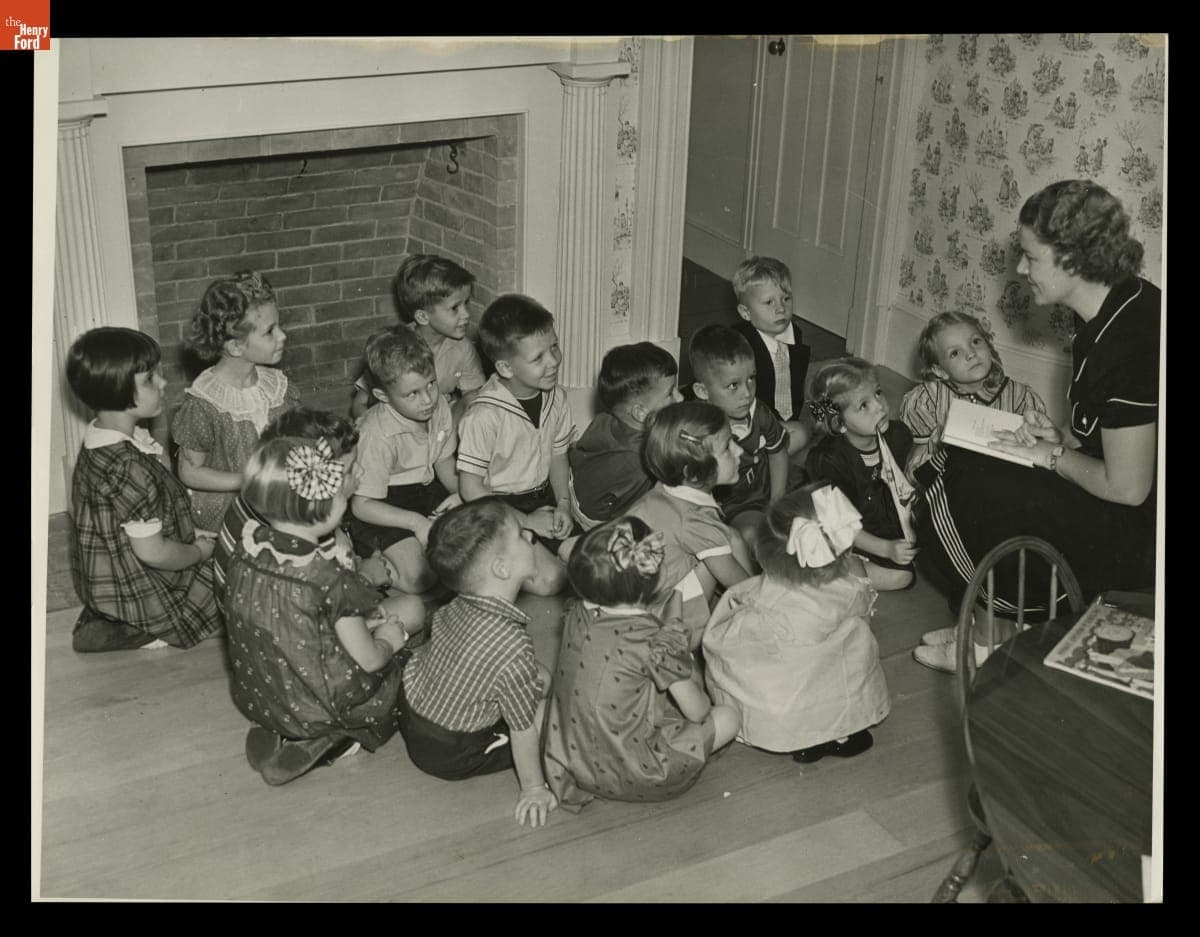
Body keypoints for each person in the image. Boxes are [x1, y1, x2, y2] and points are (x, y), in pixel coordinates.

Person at [914, 180, 1160, 672]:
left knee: (964, 480)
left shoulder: (1130, 343)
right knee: (970, 453)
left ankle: (989, 638)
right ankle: (995, 623)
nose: (1021, 269)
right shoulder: (1115, 307)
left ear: (1072, 258)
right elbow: (1110, 435)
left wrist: (1050, 457)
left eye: (1030, 256)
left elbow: (1129, 488)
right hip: (1131, 512)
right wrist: (1062, 439)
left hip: (1142, 542)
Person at [223, 437, 426, 785]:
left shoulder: (247, 546)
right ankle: (336, 739)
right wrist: (389, 641)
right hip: (324, 700)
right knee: (410, 665)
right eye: (342, 496)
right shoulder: (328, 579)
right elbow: (370, 660)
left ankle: (278, 725)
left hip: (262, 691)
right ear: (323, 509)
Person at [542, 518, 740, 810]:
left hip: (577, 765)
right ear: (655, 574)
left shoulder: (575, 615)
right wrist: (682, 656)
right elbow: (697, 712)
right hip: (643, 773)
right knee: (728, 716)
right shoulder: (655, 643)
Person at [397, 499, 557, 828]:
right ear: (502, 568)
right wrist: (534, 788)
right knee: (552, 715)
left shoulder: (455, 604)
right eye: (522, 536)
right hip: (449, 751)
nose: (530, 535)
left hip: (410, 710)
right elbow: (522, 727)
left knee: (536, 678)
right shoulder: (509, 647)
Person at [703, 483, 890, 762]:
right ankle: (843, 733)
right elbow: (863, 606)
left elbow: (748, 634)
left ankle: (803, 740)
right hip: (836, 681)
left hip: (788, 696)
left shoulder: (771, 593)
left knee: (766, 668)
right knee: (853, 647)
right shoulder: (852, 583)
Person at [65, 327, 222, 652]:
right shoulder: (127, 466)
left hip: (117, 572)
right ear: (117, 391)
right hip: (146, 581)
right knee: (238, 589)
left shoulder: (101, 440)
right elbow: (153, 553)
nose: (163, 383)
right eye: (151, 379)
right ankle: (141, 626)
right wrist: (197, 553)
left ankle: (116, 617)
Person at [211, 407, 394, 606]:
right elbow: (336, 608)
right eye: (349, 470)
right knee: (411, 608)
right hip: (300, 624)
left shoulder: (262, 499)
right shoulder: (319, 542)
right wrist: (367, 577)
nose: (361, 471)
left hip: (255, 610)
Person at [455, 294, 574, 594]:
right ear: (506, 368)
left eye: (554, 347)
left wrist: (564, 504)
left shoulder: (555, 396)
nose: (553, 362)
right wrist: (527, 521)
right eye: (538, 358)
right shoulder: (484, 415)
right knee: (551, 581)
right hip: (497, 505)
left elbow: (559, 456)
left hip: (543, 497)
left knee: (587, 557)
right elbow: (471, 489)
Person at [172, 271, 298, 532]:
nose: (282, 336)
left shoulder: (276, 387)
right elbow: (190, 472)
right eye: (270, 331)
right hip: (232, 510)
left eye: (279, 326)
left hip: (276, 498)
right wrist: (246, 480)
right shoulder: (205, 403)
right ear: (236, 347)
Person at [627, 400, 754, 646]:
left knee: (725, 539)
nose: (739, 451)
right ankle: (692, 640)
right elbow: (736, 584)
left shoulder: (662, 489)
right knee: (720, 559)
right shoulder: (695, 519)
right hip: (654, 629)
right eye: (728, 447)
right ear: (693, 474)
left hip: (629, 608)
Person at [346, 328, 460, 595]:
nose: (428, 399)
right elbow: (362, 505)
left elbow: (443, 459)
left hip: (426, 487)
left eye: (431, 383)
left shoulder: (439, 405)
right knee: (420, 577)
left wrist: (460, 493)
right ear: (383, 396)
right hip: (382, 503)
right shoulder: (375, 435)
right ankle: (363, 563)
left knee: (465, 549)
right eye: (412, 394)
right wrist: (417, 523)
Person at [806, 357, 919, 592]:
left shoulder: (898, 435)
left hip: (884, 524)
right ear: (839, 423)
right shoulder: (829, 460)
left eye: (878, 393)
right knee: (902, 577)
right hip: (846, 532)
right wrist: (886, 549)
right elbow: (839, 523)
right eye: (864, 405)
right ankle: (833, 571)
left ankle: (849, 571)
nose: (879, 406)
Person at [899, 310, 1047, 478]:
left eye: (976, 341)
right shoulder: (927, 401)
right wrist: (937, 448)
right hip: (948, 486)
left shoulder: (1020, 399)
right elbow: (914, 472)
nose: (971, 353)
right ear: (940, 370)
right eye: (955, 353)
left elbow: (1039, 459)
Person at [689, 324, 790, 554]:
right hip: (731, 506)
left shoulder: (758, 412)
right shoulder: (697, 428)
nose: (747, 392)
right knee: (751, 536)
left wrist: (776, 501)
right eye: (733, 385)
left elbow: (778, 452)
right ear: (703, 391)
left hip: (760, 491)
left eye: (751, 379)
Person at [349, 254, 485, 425]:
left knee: (476, 398)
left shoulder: (463, 348)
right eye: (455, 308)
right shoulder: (394, 345)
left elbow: (473, 398)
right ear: (422, 316)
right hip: (397, 423)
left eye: (466, 303)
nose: (466, 314)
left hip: (438, 423)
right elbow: (360, 403)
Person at [567, 342, 683, 529]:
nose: (681, 398)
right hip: (598, 523)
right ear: (640, 413)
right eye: (671, 393)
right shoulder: (642, 459)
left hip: (576, 485)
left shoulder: (605, 418)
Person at [729, 255, 813, 456]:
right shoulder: (739, 345)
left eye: (786, 298)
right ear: (746, 313)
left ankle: (763, 456)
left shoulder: (795, 336)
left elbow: (801, 387)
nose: (780, 308)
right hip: (744, 419)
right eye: (768, 302)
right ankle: (755, 459)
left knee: (806, 429)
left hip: (778, 421)